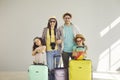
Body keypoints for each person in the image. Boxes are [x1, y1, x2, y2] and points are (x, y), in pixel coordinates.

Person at [57, 12, 80, 80]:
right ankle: (66, 78)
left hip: (74, 49)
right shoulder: (60, 28)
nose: (67, 19)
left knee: (74, 66)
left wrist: (78, 46)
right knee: (65, 66)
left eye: (68, 18)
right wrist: (59, 41)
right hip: (65, 50)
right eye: (65, 18)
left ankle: (74, 78)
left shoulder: (75, 27)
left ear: (70, 18)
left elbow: (79, 36)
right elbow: (57, 38)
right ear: (63, 19)